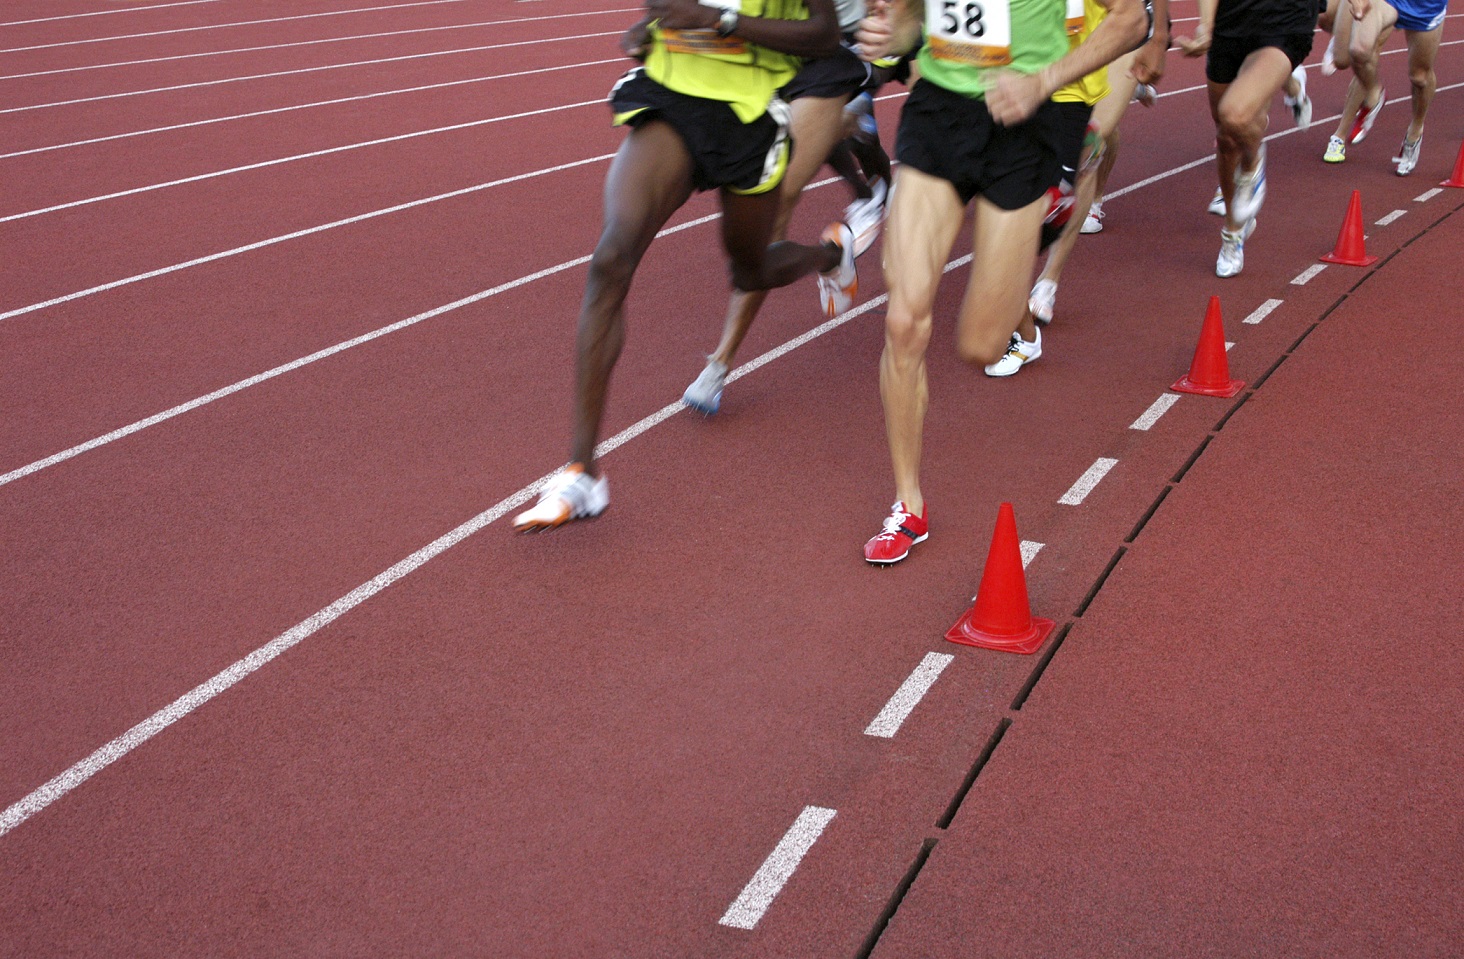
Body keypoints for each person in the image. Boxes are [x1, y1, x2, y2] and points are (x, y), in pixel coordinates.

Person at [514, 0, 859, 532]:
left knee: (750, 271)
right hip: (671, 95)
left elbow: (822, 33)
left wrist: (717, 22)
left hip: (748, 116)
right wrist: (648, 28)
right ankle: (583, 472)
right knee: (611, 259)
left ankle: (831, 255)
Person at [854, 0, 1149, 564]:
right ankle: (907, 503)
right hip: (938, 115)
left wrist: (1043, 81)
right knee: (903, 320)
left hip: (1023, 124)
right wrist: (894, 34)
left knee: (981, 344)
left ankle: (1047, 214)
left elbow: (1132, 20)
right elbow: (916, 18)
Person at [682, 0, 897, 416]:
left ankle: (720, 363)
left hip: (837, 52)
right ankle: (834, 253)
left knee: (773, 203)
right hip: (766, 52)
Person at [1017, 0, 1170, 345]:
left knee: (1092, 139)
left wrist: (1159, 38)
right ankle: (1129, 90)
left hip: (1119, 25)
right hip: (1049, 28)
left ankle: (1049, 281)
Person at [1176, 0, 1317, 278]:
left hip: (1286, 19)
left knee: (1236, 115)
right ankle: (1235, 226)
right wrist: (1206, 27)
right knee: (1226, 137)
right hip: (1232, 22)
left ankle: (1252, 169)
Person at [1321, 0, 1445, 175]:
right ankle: (1373, 94)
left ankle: (1415, 132)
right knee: (1358, 51)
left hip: (1424, 6)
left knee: (1420, 77)